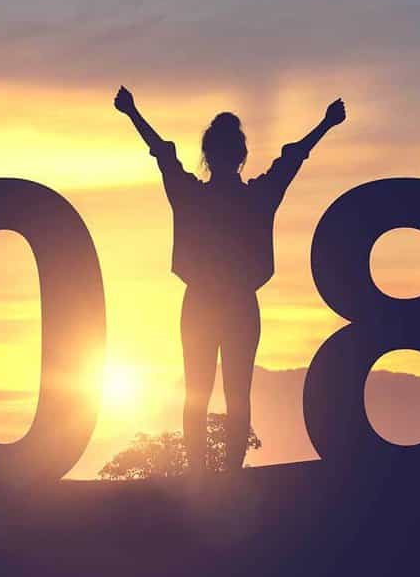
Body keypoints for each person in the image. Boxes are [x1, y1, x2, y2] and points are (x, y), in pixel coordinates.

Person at [114, 86, 346, 471]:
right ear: (241, 156)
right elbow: (293, 159)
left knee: (198, 392)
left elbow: (164, 155)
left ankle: (199, 476)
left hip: (203, 304)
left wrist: (133, 113)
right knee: (237, 392)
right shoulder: (257, 196)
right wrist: (325, 123)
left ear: (209, 156)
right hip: (237, 304)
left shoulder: (193, 196)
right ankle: (228, 475)